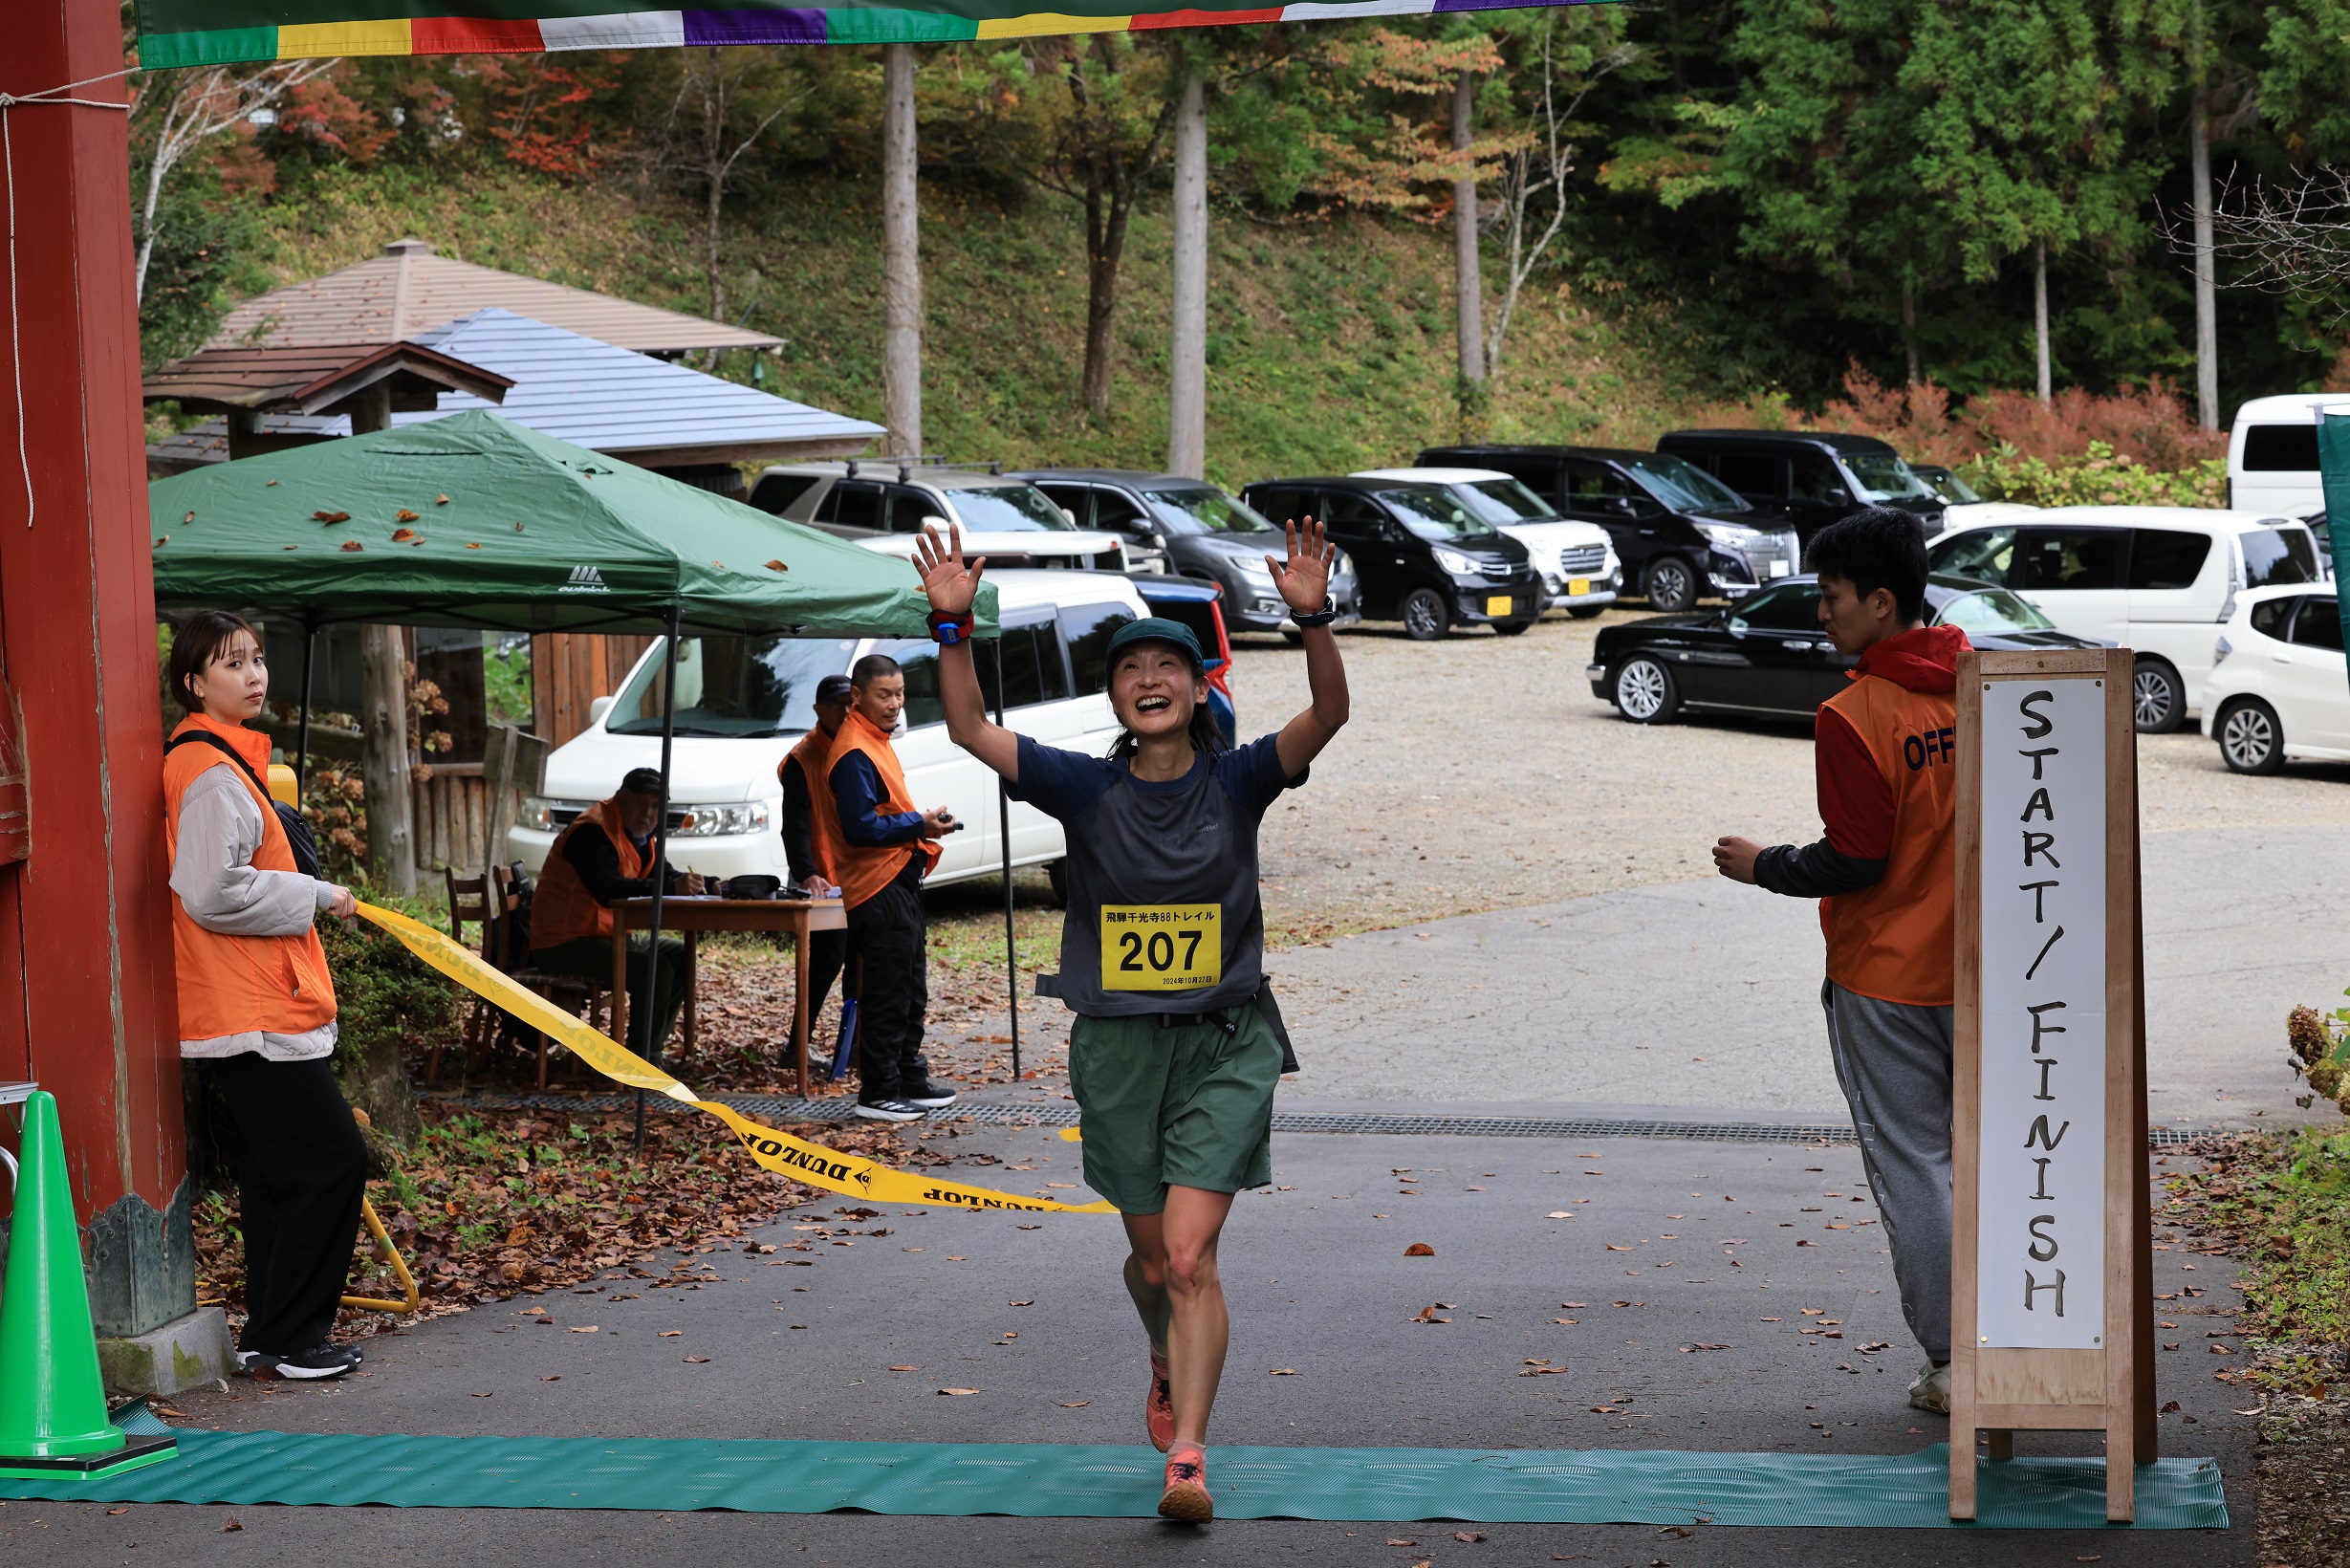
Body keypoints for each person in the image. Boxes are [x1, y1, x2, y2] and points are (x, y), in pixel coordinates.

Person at [914, 515, 1347, 1524]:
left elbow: (1327, 711)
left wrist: (1312, 614)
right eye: (1130, 668)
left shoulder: (1238, 781)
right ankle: (1161, 1349)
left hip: (1224, 1043)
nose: (1149, 677)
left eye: (1169, 665)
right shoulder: (1084, 785)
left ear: (1199, 691)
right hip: (1114, 1049)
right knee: (1152, 1260)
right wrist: (950, 628)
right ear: (1114, 695)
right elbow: (973, 729)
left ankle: (1187, 1459)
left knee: (1192, 1256)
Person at [1709, 508, 1970, 1417]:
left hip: (1887, 976)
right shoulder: (1991, 686)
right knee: (1997, 1160)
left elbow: (1857, 858)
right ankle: (2024, 1339)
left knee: (1914, 1165)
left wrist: (1764, 865)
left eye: (1830, 599)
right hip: (1998, 973)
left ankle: (1951, 1362)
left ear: (1882, 601)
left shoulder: (1853, 716)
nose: (1820, 614)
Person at [163, 611, 367, 1383]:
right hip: (248, 1007)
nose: (253, 675)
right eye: (230, 664)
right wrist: (313, 892)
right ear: (193, 682)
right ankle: (292, 1338)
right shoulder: (210, 770)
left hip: (248, 1002)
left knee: (280, 1173)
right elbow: (209, 892)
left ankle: (272, 1335)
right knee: (332, 1162)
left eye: (256, 660)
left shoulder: (217, 758)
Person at [826, 654, 959, 1122]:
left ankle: (908, 1076)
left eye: (900, 693)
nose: (895, 703)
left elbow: (882, 814)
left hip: (899, 876)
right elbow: (859, 828)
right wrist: (916, 823)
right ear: (858, 697)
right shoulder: (852, 750)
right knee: (887, 990)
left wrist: (920, 826)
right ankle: (878, 1090)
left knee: (910, 986)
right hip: (874, 885)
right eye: (884, 694)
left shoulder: (876, 741)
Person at [529, 767, 706, 1059]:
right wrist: (670, 886)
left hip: (606, 937)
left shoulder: (640, 836)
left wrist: (712, 884)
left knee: (680, 954)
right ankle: (640, 1062)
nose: (647, 813)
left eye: (654, 806)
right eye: (639, 803)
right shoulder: (592, 831)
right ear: (620, 798)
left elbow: (667, 874)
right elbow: (606, 889)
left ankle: (652, 1046)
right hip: (564, 943)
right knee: (655, 968)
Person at [778, 673, 854, 1022]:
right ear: (818, 709)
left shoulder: (863, 744)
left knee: (863, 959)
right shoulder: (801, 760)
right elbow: (794, 825)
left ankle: (856, 1047)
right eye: (837, 705)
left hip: (864, 872)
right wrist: (806, 873)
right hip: (824, 877)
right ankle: (797, 1044)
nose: (846, 711)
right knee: (827, 958)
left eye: (850, 703)